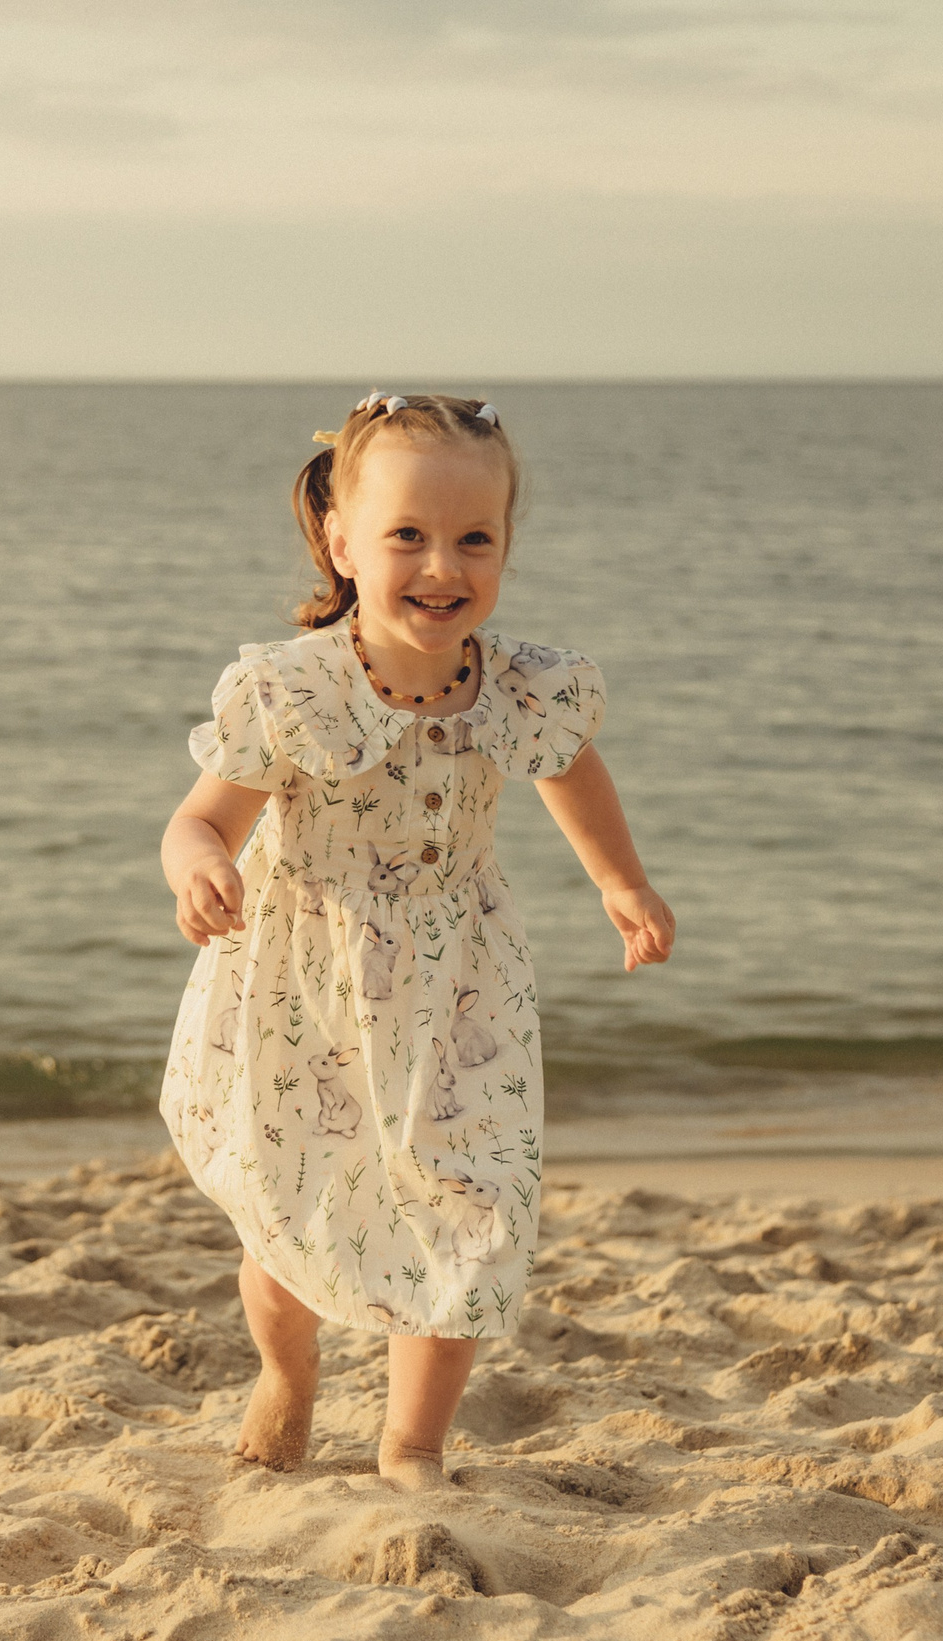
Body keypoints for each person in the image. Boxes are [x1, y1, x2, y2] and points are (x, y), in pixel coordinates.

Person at [159, 390, 676, 1491]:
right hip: (304, 979)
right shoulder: (290, 691)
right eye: (407, 536)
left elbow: (569, 768)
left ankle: (412, 1443)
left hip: (461, 986)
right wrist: (200, 864)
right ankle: (287, 1377)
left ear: (504, 550)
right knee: (290, 1216)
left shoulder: (524, 686)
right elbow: (202, 818)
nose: (442, 566)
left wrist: (618, 881)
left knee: (473, 1217)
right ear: (341, 542)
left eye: (473, 539)